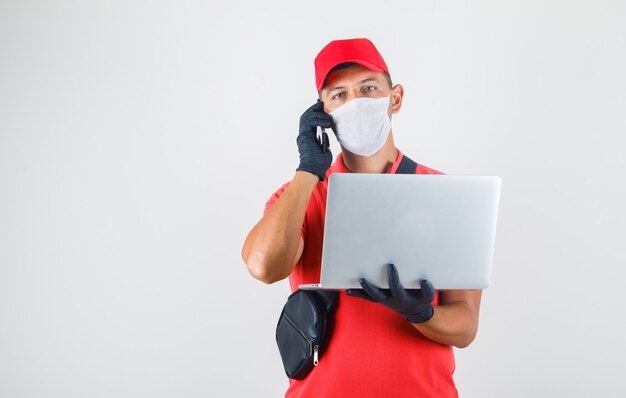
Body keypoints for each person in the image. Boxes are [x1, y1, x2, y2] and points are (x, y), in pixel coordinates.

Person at [241, 38, 481, 397]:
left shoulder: (447, 196)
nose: (355, 103)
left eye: (368, 88)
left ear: (394, 98)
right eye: (339, 95)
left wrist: (421, 314)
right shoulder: (300, 197)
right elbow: (263, 266)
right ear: (322, 111)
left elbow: (465, 328)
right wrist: (309, 170)